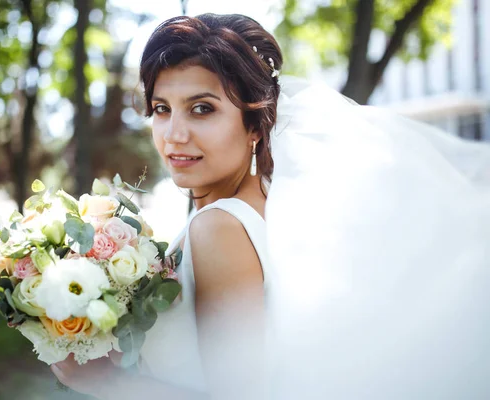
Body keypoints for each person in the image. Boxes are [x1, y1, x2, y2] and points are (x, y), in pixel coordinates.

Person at [51, 13, 490, 399]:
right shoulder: (268, 205)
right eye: (162, 109)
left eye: (202, 109)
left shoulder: (219, 227)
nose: (174, 134)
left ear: (255, 126)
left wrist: (108, 382)